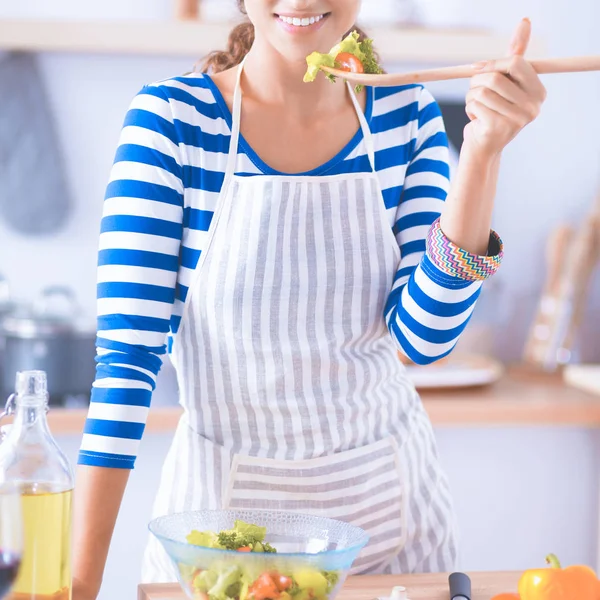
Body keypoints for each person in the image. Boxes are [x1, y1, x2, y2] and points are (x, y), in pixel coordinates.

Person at [72, 1, 546, 596]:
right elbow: (126, 365)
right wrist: (77, 588)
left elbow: (424, 340)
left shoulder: (407, 116)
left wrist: (482, 152)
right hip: (221, 549)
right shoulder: (173, 121)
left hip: (391, 539)